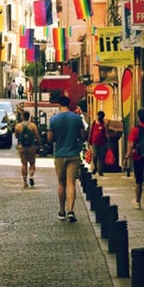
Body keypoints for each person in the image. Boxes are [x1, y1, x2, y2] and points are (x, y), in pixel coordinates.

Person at [47, 94, 86, 222]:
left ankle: (62, 210)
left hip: (59, 154)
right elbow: (82, 136)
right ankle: (71, 210)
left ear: (59, 105)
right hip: (73, 154)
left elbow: (50, 138)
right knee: (71, 183)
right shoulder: (76, 118)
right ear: (69, 104)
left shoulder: (54, 119)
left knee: (61, 183)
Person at [14, 109, 40, 188]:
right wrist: (39, 143)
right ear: (28, 117)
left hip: (22, 147)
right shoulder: (32, 125)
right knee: (32, 163)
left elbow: (16, 136)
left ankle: (25, 181)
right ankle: (31, 176)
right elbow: (36, 135)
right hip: (31, 146)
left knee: (24, 164)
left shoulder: (18, 126)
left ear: (22, 117)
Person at [88, 110, 110, 176]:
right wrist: (89, 141)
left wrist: (108, 142)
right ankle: (95, 168)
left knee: (101, 156)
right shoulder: (94, 123)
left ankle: (100, 170)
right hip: (94, 142)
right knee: (95, 155)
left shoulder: (104, 124)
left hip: (101, 142)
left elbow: (106, 133)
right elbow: (90, 132)